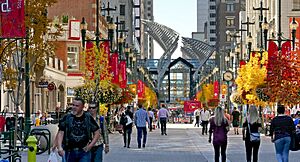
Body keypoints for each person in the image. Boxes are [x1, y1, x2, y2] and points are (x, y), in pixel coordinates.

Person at [54, 97, 100, 162]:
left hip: (84, 151)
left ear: (82, 107)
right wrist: (59, 147)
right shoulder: (67, 117)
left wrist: (90, 146)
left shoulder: (88, 117)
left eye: (77, 106)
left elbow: (97, 132)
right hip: (69, 151)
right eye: (73, 105)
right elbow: (61, 132)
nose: (74, 107)